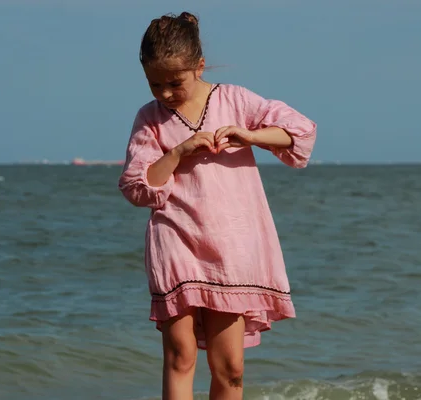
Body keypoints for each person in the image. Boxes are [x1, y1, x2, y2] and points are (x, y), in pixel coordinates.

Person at [117, 11, 317, 400]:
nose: (166, 93)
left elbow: (300, 132)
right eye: (155, 84)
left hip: (231, 248)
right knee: (180, 357)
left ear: (199, 66)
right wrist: (177, 152)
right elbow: (138, 188)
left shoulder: (236, 99)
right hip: (175, 244)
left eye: (175, 82)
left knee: (231, 370)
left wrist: (250, 135)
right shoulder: (150, 118)